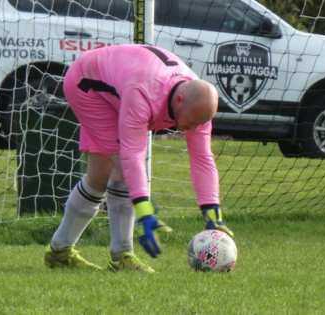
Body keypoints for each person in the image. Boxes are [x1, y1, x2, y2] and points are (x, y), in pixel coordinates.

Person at [44, 44, 234, 273]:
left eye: (197, 124)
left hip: (118, 85)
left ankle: (59, 252)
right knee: (121, 169)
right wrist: (144, 210)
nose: (191, 128)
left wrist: (213, 212)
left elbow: (203, 158)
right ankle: (122, 256)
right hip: (87, 85)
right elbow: (131, 156)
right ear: (179, 100)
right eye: (190, 121)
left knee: (99, 175)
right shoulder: (144, 92)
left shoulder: (200, 104)